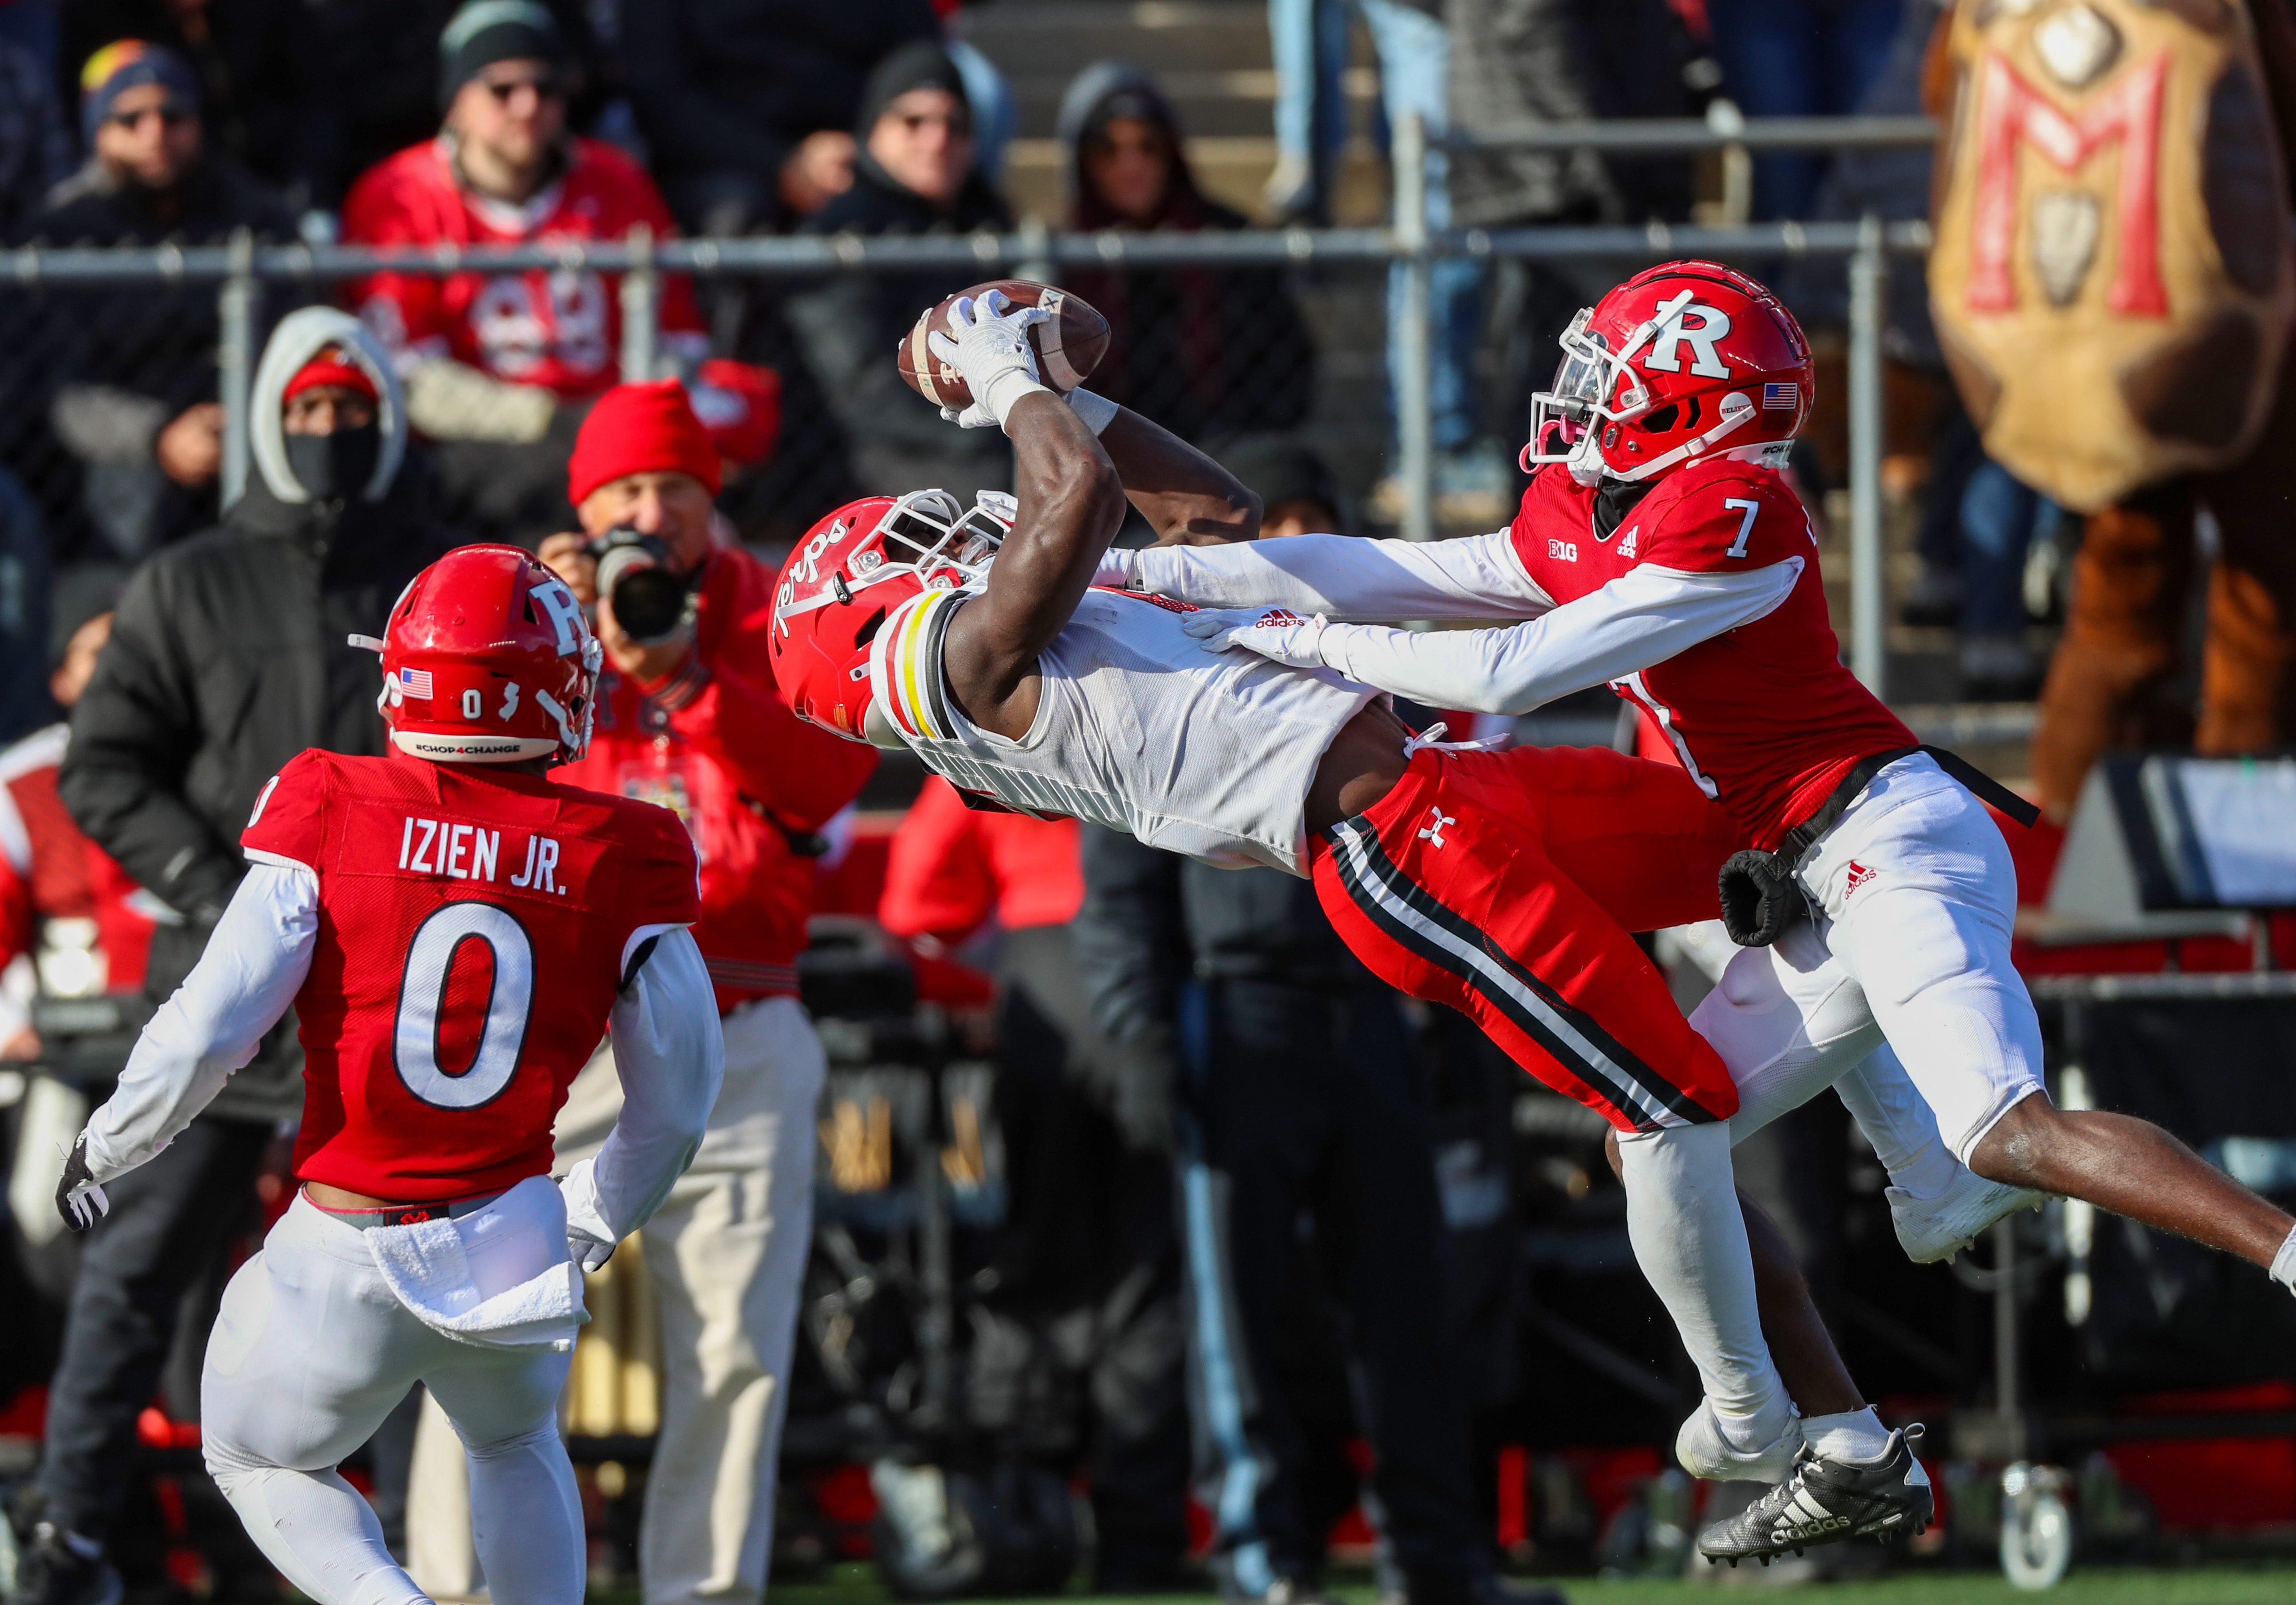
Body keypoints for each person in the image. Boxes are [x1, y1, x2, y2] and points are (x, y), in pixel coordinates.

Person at [1113, 260, 2296, 1559]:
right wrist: (1160, 580)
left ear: (1692, 411)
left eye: (1613, 382)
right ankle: (1837, 1437)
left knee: (2003, 1129)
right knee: (1656, 1132)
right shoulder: (1592, 495)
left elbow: (1510, 663)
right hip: (1795, 866)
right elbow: (1402, 567)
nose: (1578, 403)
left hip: (1887, 840)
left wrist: (1297, 644)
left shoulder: (1736, 510)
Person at [767, 290, 1933, 1562]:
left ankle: (1922, 1177)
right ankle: (1755, 1410)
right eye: (915, 535)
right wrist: (1003, 378)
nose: (950, 529)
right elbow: (1074, 505)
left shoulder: (1017, 601)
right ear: (876, 610)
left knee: (1795, 846)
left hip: (1458, 789)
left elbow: (1211, 515)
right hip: (1397, 845)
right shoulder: (972, 672)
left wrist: (1076, 395)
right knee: (1672, 1107)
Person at [52, 542, 725, 1605]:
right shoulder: (625, 846)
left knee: (257, 1456)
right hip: (511, 1226)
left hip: (348, 1234)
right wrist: (591, 1223)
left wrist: (112, 1142)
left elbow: (209, 1029)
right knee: (514, 1443)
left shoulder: (329, 797)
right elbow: (681, 1099)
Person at [404, 380, 877, 1605]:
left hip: (736, 1025)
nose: (649, 516)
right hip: (557, 1039)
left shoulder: (779, 612)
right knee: (486, 1333)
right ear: (582, 504)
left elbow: (824, 786)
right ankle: (453, 1592)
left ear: (712, 504)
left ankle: (702, 1594)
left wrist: (682, 675)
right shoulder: (535, 614)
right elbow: (457, 797)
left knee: (733, 1354)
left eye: (674, 488)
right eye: (622, 492)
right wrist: (542, 628)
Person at [23, 310, 452, 1605]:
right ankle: (74, 1539)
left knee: (413, 1292)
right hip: (223, 999)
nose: (331, 434)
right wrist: (232, 899)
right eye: (309, 413)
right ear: (269, 421)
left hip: (383, 1007)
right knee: (135, 1276)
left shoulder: (430, 586)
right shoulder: (186, 581)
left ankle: (381, 1557)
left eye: (352, 409)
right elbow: (105, 768)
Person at [879, 781, 1195, 1593]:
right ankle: (1140, 1539)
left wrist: (993, 982)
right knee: (1152, 1269)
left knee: (1035, 1260)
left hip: (1040, 985)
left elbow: (915, 901)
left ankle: (1020, 1515)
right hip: (1153, 980)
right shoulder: (1158, 708)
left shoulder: (990, 724)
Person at [341, 1, 740, 547]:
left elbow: (677, 334)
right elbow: (408, 376)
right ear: (456, 101)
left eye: (547, 88)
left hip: (612, 425)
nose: (529, 106)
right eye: (502, 90)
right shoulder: (398, 196)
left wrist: (625, 419)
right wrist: (548, 419)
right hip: (472, 444)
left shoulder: (616, 181)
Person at [13, 40, 298, 564]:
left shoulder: (257, 214)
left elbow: (293, 337)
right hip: (122, 461)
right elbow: (63, 396)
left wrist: (242, 418)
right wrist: (158, 436)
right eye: (131, 119)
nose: (155, 134)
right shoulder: (63, 232)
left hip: (246, 430)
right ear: (98, 131)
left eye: (172, 115)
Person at [787, 41, 1014, 503]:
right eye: (914, 121)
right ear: (874, 128)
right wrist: (1000, 429)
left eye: (956, 124)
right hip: (869, 463)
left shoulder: (993, 221)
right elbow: (861, 388)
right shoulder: (837, 232)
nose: (938, 140)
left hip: (990, 437)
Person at [1055, 64, 1313, 447]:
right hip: (1100, 456)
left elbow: (1286, 371)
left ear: (1171, 152)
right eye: (1109, 149)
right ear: (1085, 162)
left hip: (1218, 449)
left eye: (1148, 146)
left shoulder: (1228, 242)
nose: (1132, 165)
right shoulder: (1060, 259)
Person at [619, 0, 939, 234]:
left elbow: (921, 63)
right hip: (723, 170)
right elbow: (659, 95)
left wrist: (865, 148)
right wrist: (780, 163)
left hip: (860, 156)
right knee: (733, 214)